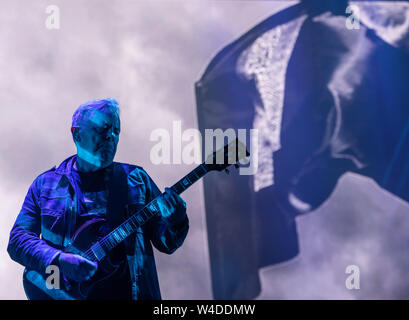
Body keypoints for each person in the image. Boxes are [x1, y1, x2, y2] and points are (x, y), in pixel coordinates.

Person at [7, 98, 189, 300]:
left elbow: (167, 243)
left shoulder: (136, 180)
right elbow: (17, 240)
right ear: (77, 134)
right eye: (103, 130)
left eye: (116, 131)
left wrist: (177, 220)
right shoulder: (45, 185)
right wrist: (58, 260)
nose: (111, 137)